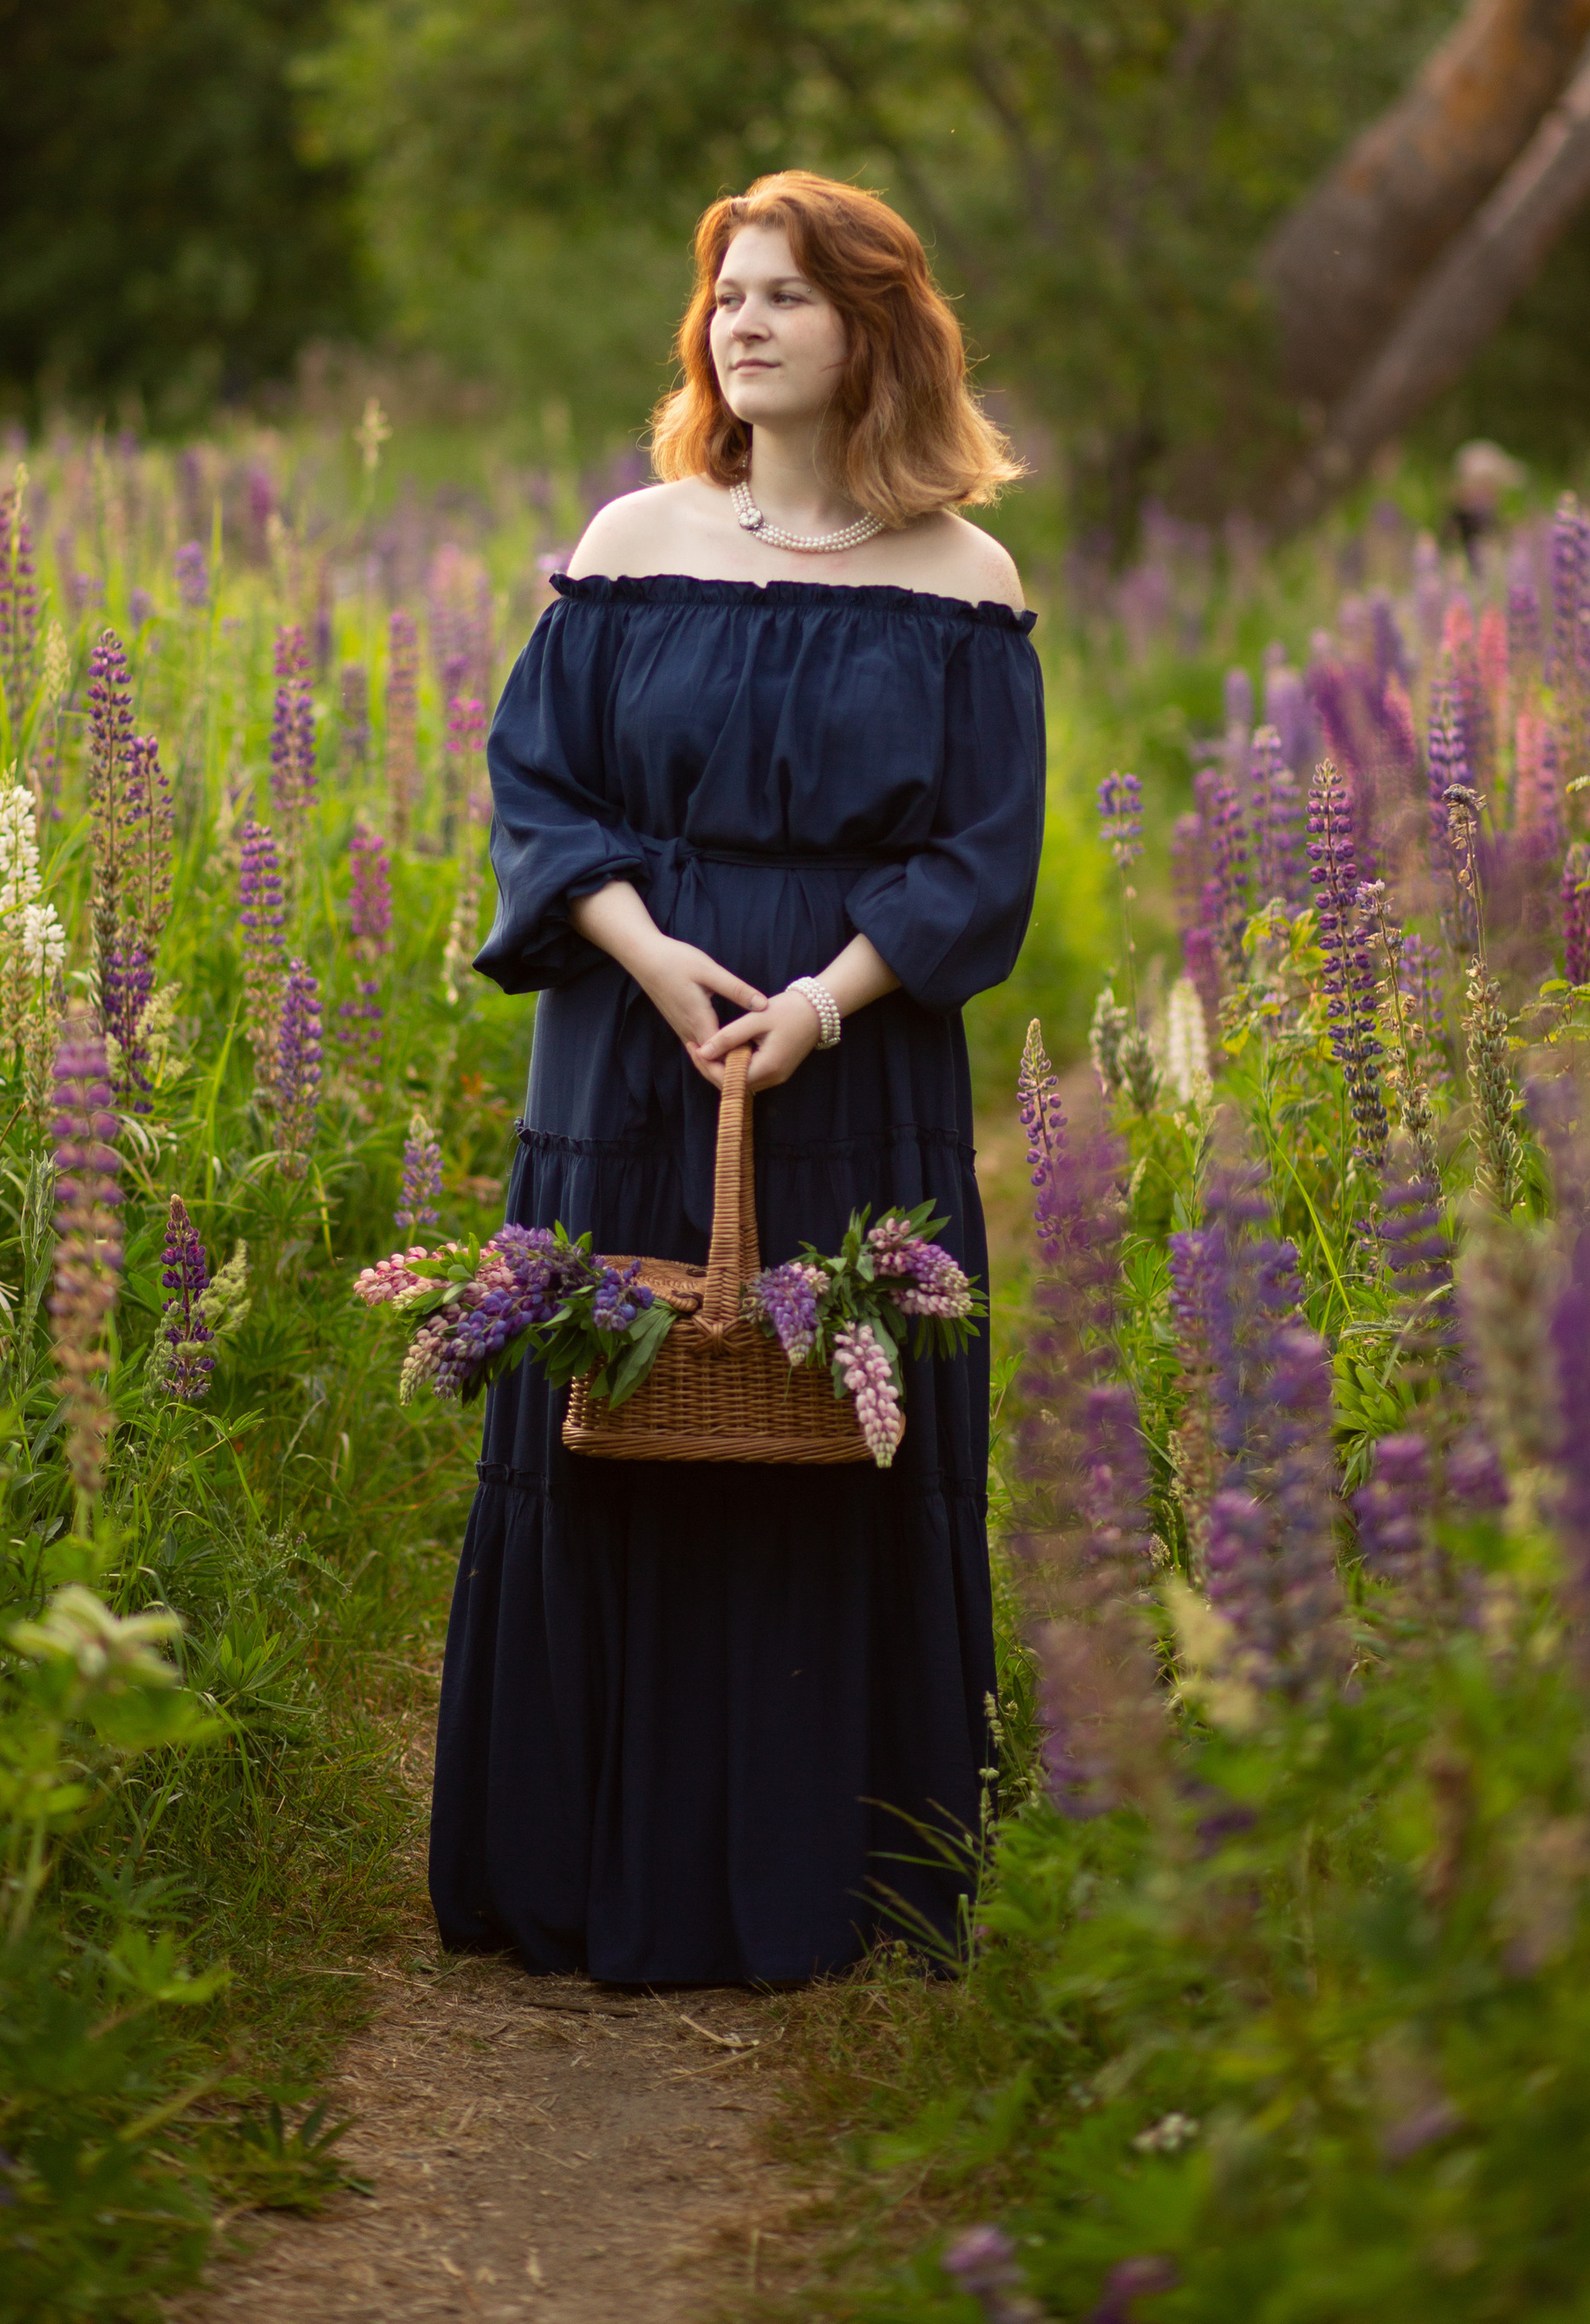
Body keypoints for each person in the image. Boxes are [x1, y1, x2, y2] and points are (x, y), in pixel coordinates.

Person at [429, 170, 1046, 1985]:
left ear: (874, 330)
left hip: (848, 1062)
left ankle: (831, 1878)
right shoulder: (630, 543)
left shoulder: (961, 581)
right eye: (725, 294)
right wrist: (643, 952)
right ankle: (574, 1867)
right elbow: (540, 791)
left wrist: (820, 1003)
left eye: (786, 294)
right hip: (630, 1041)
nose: (743, 323)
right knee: (619, 1407)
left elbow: (974, 858)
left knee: (820, 1432)